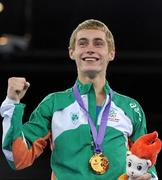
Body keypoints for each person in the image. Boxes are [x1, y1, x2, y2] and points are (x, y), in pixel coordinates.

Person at [0, 19, 159, 180]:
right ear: (72, 52)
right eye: (83, 43)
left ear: (111, 53)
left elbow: (146, 162)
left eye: (98, 43)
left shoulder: (130, 108)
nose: (90, 49)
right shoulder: (53, 104)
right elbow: (17, 158)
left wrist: (148, 178)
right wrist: (12, 102)